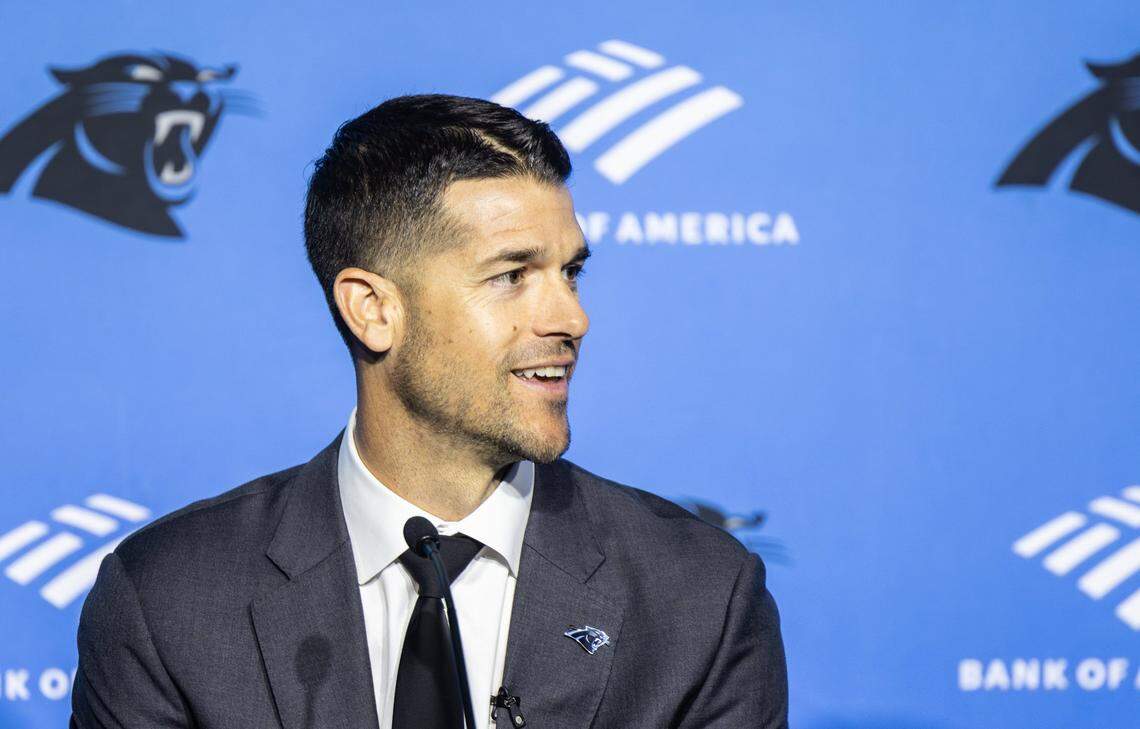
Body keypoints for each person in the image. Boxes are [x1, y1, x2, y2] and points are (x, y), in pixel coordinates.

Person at [70, 94, 788, 728]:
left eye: (570, 271)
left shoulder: (701, 598)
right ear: (374, 309)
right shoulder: (170, 598)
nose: (572, 316)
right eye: (513, 275)